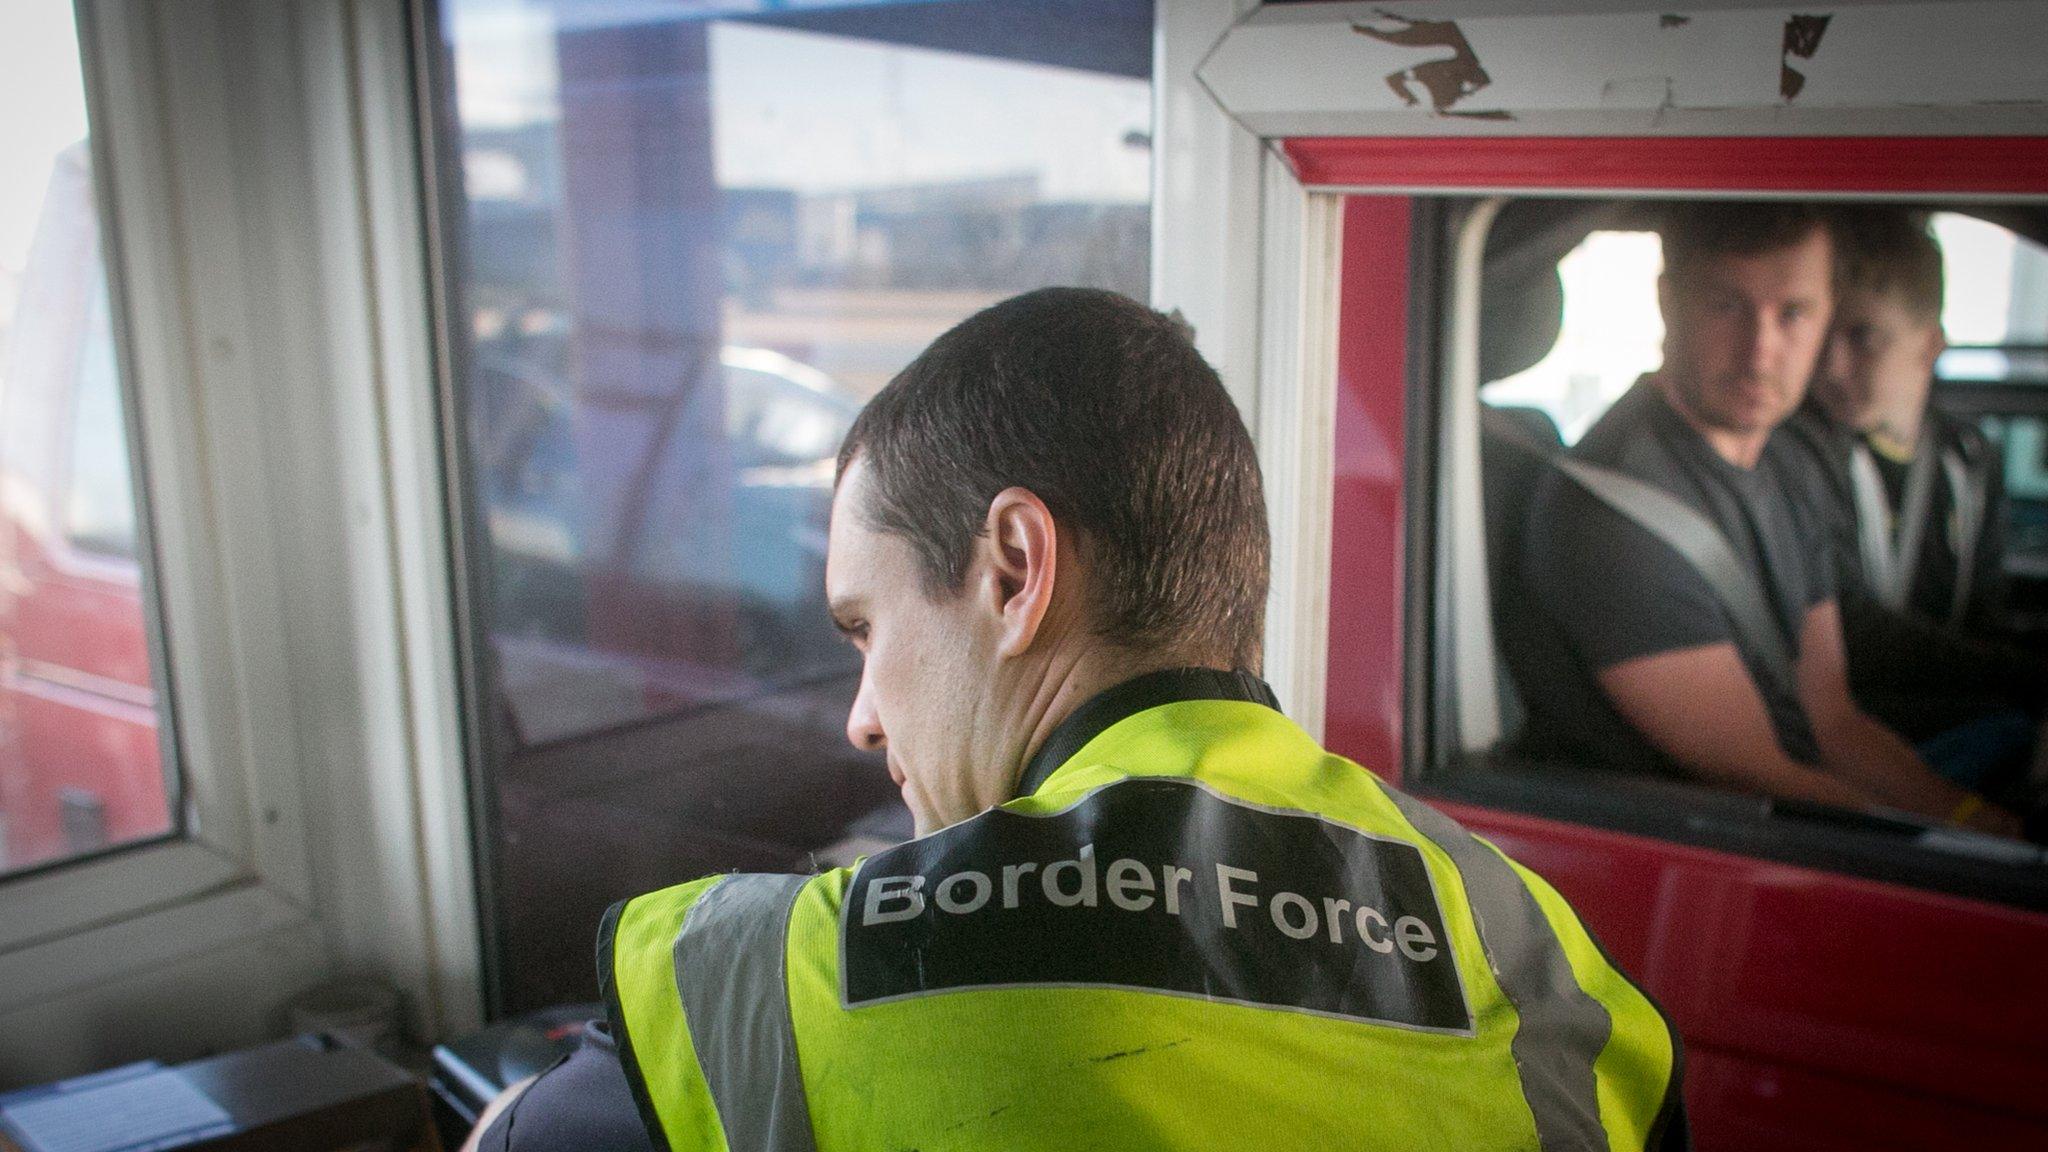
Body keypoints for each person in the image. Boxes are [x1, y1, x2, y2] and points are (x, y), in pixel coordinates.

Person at [467, 288, 1685, 1151]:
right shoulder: (1542, 963)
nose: (859, 721)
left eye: (864, 629)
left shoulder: (785, 983)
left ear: (1011, 569)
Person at [1518, 202, 2022, 836]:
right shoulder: (1611, 514)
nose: (1762, 352)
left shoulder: (1787, 464)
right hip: (1708, 845)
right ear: (1670, 304)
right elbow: (1759, 773)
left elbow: (1831, 720)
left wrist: (1976, 819)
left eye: (1794, 313)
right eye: (1727, 306)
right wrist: (1958, 845)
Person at [1781, 207, 2045, 788]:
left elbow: (1984, 606)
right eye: (1825, 336)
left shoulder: (1971, 456)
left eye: (1864, 338)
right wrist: (2028, 676)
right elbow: (1857, 630)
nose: (1832, 365)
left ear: (1930, 345)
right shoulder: (1797, 453)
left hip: (1934, 705)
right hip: (1854, 721)